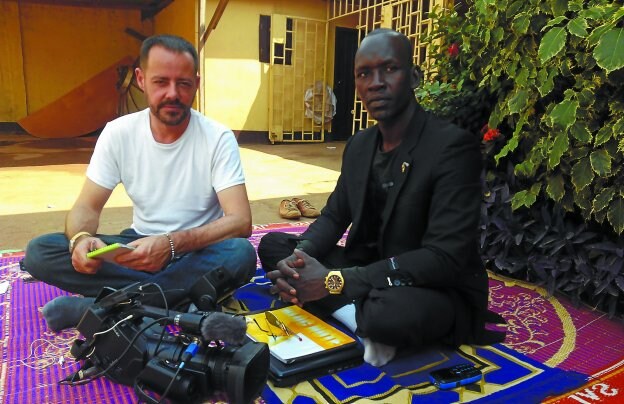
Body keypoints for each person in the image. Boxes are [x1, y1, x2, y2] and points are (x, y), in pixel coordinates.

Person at [258, 28, 505, 367]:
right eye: (364, 73)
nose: (375, 82)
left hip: (429, 284)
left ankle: (360, 317)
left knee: (387, 316)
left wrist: (333, 281)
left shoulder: (452, 148)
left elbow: (443, 257)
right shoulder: (359, 146)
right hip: (368, 268)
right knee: (273, 247)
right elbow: (333, 216)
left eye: (389, 69)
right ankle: (354, 316)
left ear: (414, 76)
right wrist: (300, 258)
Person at [23, 34, 257, 331]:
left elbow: (240, 221)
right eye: (161, 82)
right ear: (141, 79)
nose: (173, 93)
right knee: (41, 252)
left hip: (198, 253)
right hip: (136, 249)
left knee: (240, 253)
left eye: (183, 84)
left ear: (196, 84)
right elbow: (87, 206)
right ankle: (169, 299)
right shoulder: (118, 134)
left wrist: (171, 244)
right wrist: (80, 239)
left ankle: (103, 309)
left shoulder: (218, 138)